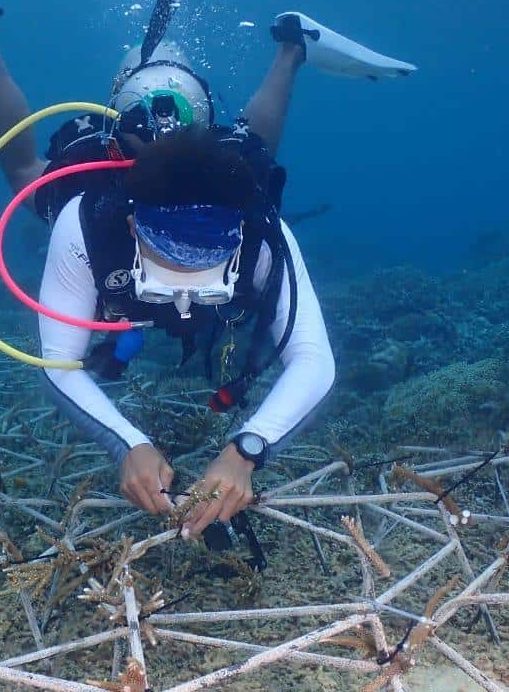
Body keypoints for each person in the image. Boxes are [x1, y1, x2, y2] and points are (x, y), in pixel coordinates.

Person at [0, 0, 414, 208]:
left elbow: (29, 165)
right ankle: (292, 49)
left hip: (135, 119)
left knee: (25, 171)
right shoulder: (209, 144)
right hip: (188, 116)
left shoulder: (100, 156)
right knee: (252, 151)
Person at [39, 128, 335, 539]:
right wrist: (126, 443)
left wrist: (247, 450)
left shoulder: (266, 242)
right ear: (131, 227)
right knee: (27, 175)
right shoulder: (83, 228)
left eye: (206, 287)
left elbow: (313, 359)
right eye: (163, 282)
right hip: (106, 253)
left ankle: (288, 60)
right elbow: (58, 359)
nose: (183, 303)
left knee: (262, 124)